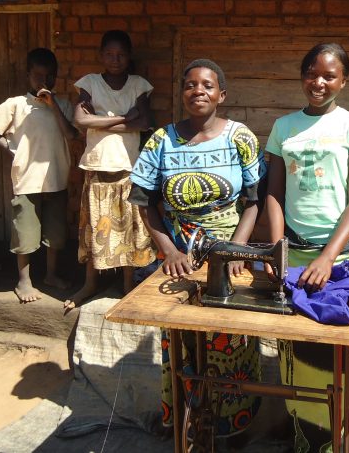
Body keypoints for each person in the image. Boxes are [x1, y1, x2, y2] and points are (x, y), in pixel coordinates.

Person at [129, 58, 267, 438]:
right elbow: (143, 201)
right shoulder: (162, 140)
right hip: (181, 257)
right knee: (182, 339)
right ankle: (187, 418)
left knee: (232, 339)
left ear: (221, 95)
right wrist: (170, 251)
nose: (198, 91)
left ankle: (234, 423)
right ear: (182, 93)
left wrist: (239, 248)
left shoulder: (240, 137)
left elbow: (255, 200)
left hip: (231, 255)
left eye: (207, 85)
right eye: (190, 85)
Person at [266, 42, 349, 451]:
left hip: (340, 257)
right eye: (312, 73)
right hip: (293, 254)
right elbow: (274, 192)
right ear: (302, 75)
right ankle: (299, 419)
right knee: (292, 342)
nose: (319, 82)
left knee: (333, 345)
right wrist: (278, 246)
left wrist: (329, 255)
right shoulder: (283, 127)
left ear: (343, 81)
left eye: (329, 75)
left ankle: (335, 426)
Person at [65, 29, 155, 310]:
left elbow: (143, 124)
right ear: (100, 55)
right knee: (95, 229)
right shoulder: (90, 83)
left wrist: (100, 120)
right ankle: (90, 283)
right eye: (109, 54)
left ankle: (128, 284)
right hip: (96, 169)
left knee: (128, 229)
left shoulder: (138, 85)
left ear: (129, 57)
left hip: (127, 170)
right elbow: (81, 119)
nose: (115, 59)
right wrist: (122, 118)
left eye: (121, 55)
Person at [0, 48, 77, 303]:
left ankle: (51, 274)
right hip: (27, 180)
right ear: (28, 74)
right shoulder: (16, 105)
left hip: (57, 178)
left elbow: (71, 135)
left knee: (55, 233)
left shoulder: (63, 104)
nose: (44, 82)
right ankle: (23, 280)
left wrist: (53, 104)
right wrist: (12, 151)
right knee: (26, 232)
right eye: (38, 76)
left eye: (50, 76)